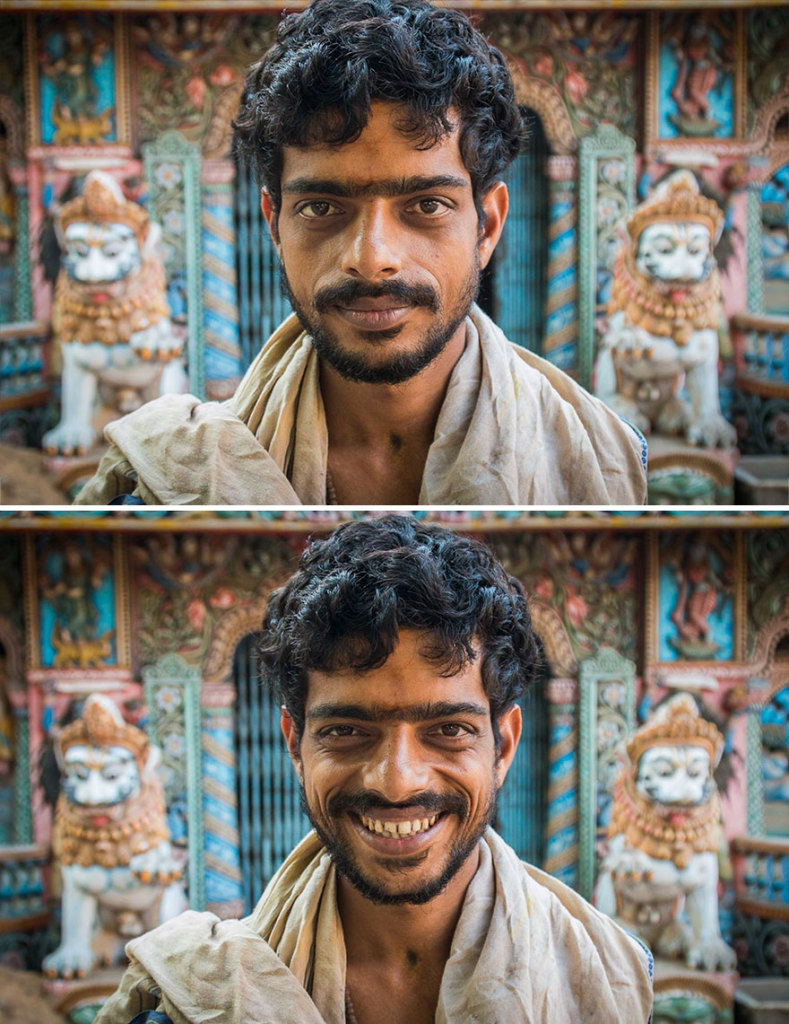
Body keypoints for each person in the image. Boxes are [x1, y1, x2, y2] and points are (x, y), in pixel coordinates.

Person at [76, 0, 647, 506]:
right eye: (322, 207)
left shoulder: (606, 458)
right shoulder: (161, 480)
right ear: (275, 224)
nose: (372, 260)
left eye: (426, 205)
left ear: (488, 225)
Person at [95, 516, 653, 1024]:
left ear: (503, 747)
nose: (397, 781)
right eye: (346, 731)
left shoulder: (610, 982)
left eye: (448, 730)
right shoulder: (190, 1000)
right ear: (295, 744)